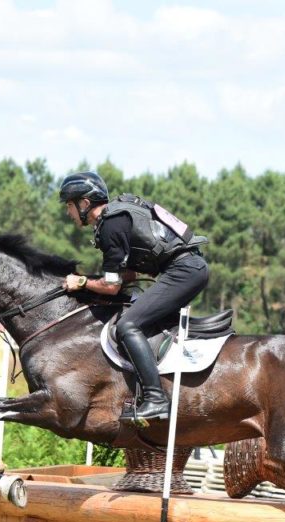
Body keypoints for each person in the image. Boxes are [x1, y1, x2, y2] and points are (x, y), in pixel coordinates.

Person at [59, 171, 209, 426]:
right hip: (187, 268)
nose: (68, 213)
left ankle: (156, 399)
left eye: (69, 205)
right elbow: (126, 274)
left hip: (183, 271)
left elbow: (112, 286)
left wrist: (82, 282)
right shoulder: (116, 216)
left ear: (84, 203)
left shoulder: (109, 225)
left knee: (127, 325)